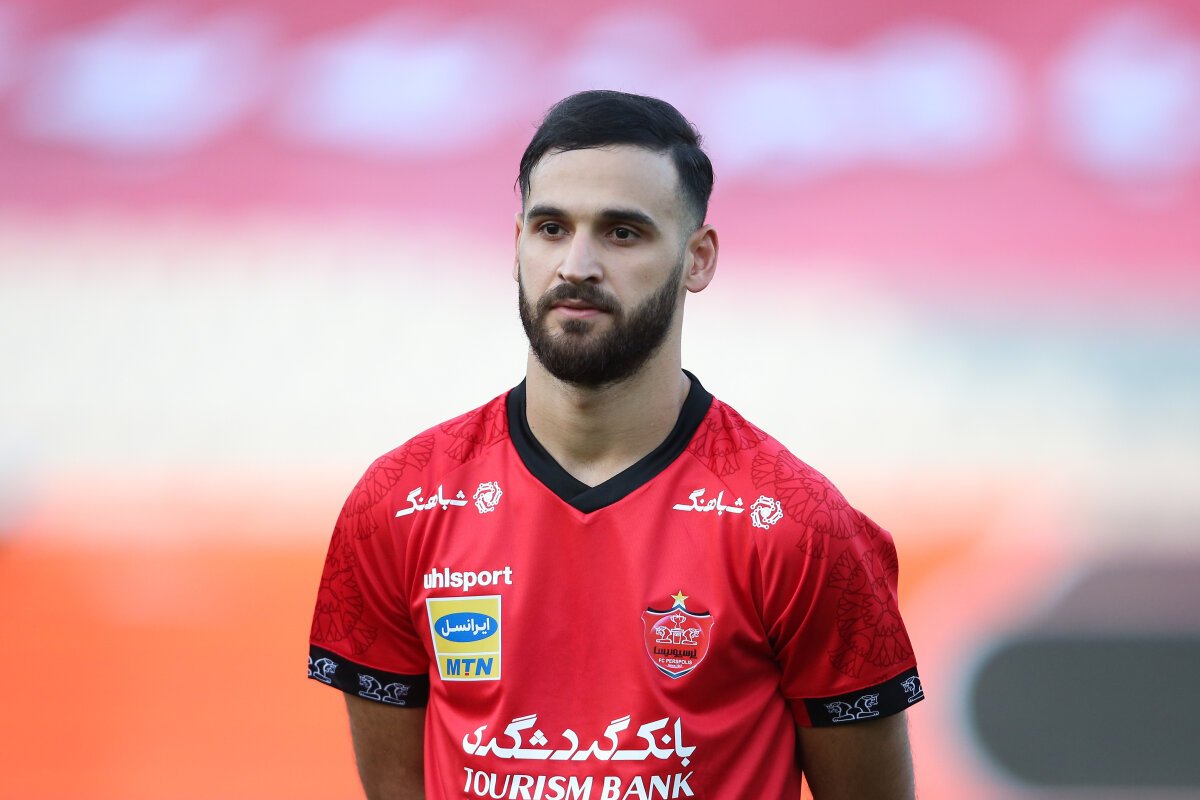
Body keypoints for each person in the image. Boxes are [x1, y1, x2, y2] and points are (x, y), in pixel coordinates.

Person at [308, 90, 924, 799]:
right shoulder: (397, 504)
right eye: (551, 228)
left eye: (622, 233)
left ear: (698, 259)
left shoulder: (800, 526)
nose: (577, 265)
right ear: (517, 244)